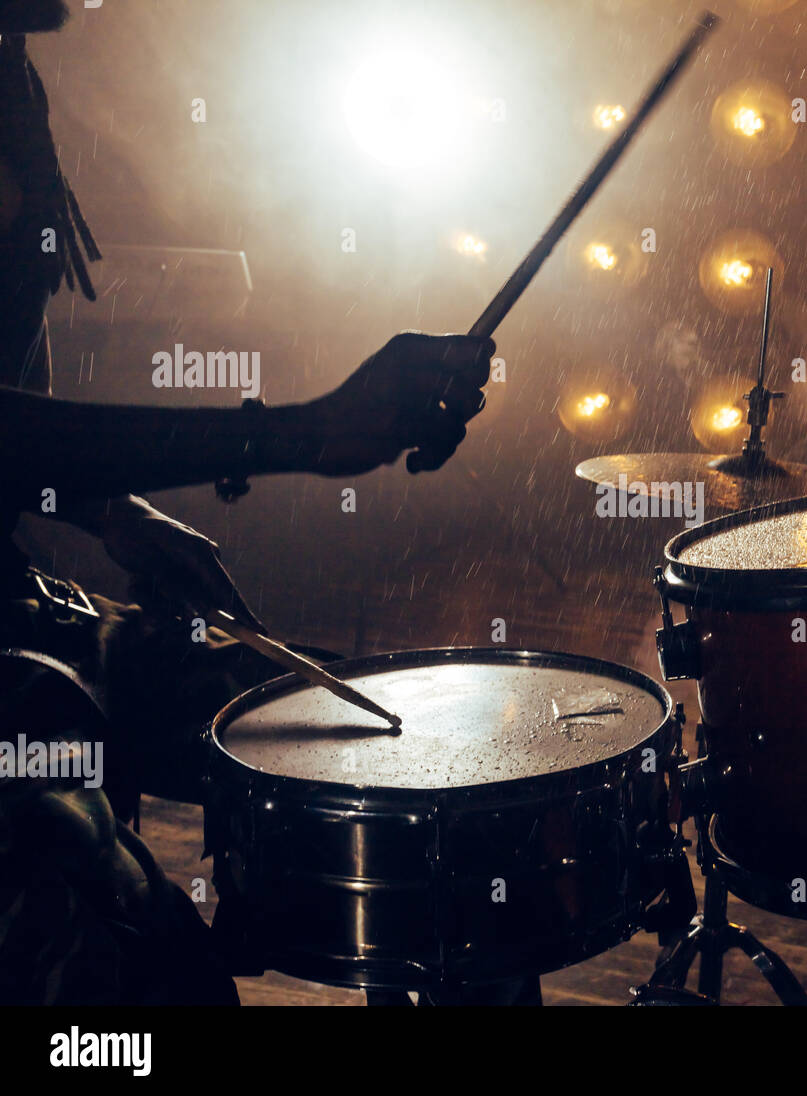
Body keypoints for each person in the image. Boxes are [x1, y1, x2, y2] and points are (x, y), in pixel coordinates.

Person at [0, 1, 494, 1003]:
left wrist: (113, 512)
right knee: (149, 981)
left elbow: (16, 358)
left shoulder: (10, 64)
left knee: (417, 772)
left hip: (18, 603)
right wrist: (294, 434)